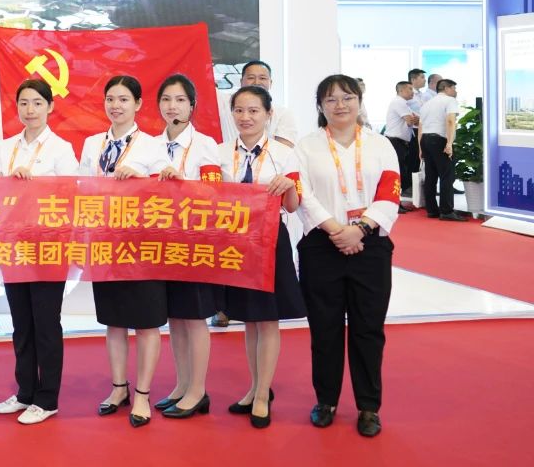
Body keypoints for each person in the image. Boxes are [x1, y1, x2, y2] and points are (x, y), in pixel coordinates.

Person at [296, 73, 401, 438]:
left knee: (368, 329)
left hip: (370, 247)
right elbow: (302, 194)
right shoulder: (306, 146)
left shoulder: (380, 144)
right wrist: (336, 230)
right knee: (323, 328)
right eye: (331, 99)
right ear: (320, 106)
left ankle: (369, 407)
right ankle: (325, 400)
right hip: (321, 246)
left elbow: (390, 192)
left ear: (359, 101)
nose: (340, 105)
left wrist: (361, 229)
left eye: (347, 97)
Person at [79, 75, 169, 428]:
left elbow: (169, 194)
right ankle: (119, 387)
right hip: (105, 242)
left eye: (124, 99)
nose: (116, 106)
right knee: (114, 321)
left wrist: (140, 181)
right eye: (111, 99)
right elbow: (79, 188)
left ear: (138, 104)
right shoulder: (92, 144)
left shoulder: (153, 146)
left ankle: (143, 394)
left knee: (146, 323)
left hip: (142, 245)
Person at [218, 86, 309, 429]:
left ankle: (261, 394)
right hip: (235, 242)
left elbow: (293, 207)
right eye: (239, 110)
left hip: (270, 240)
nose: (246, 117)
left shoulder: (285, 155)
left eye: (254, 111)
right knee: (249, 318)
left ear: (269, 114)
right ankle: (255, 387)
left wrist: (289, 186)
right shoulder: (221, 153)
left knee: (267, 318)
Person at [0, 78, 79, 425]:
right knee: (21, 323)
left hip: (49, 246)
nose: (30, 110)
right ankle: (25, 391)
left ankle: (48, 397)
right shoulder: (5, 147)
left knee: (45, 322)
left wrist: (36, 185)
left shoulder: (61, 149)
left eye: (38, 103)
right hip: (13, 243)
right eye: (24, 103)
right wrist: (6, 183)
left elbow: (70, 194)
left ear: (50, 107)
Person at [150, 75, 222, 421]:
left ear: (192, 106)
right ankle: (181, 385)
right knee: (175, 318)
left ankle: (198, 390)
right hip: (161, 243)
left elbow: (216, 195)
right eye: (166, 100)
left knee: (194, 318)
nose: (172, 107)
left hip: (194, 243)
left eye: (180, 100)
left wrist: (184, 185)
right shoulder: (150, 144)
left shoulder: (206, 145)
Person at [217, 60, 299, 147]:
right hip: (229, 155)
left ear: (270, 82)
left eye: (262, 78)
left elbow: (284, 149)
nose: (256, 82)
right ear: (241, 81)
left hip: (268, 156)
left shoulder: (283, 113)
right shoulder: (225, 102)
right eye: (251, 78)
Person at [418, 79, 466, 221]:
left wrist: (420, 148)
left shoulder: (427, 104)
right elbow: (450, 121)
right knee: (446, 176)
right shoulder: (450, 101)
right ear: (446, 88)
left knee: (430, 176)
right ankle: (446, 211)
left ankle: (432, 210)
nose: (456, 91)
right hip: (439, 140)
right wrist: (449, 143)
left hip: (425, 140)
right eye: (454, 88)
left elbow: (421, 127)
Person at [384, 82, 420, 213]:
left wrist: (414, 119)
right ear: (401, 90)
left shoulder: (404, 104)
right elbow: (411, 121)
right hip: (395, 142)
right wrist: (413, 119)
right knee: (396, 173)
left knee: (401, 172)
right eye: (410, 89)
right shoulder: (398, 102)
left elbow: (417, 120)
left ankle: (396, 202)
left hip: (400, 142)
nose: (412, 92)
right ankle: (393, 203)